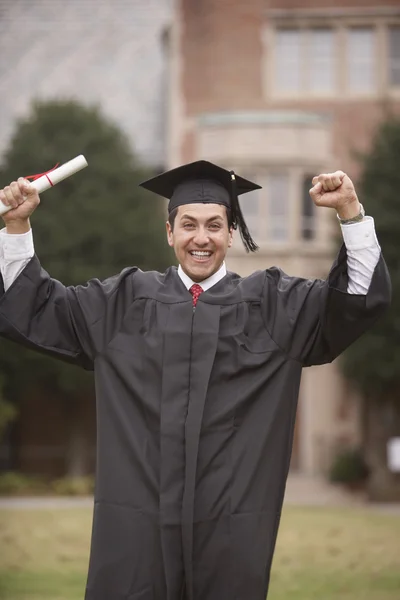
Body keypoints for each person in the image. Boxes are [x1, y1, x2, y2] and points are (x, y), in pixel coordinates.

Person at [0, 160, 391, 600]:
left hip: (231, 527)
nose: (200, 238)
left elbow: (358, 300)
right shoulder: (123, 304)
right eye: (188, 224)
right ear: (169, 233)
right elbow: (32, 306)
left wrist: (350, 212)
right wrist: (17, 224)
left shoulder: (274, 307)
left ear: (230, 233)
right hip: (136, 529)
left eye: (214, 225)